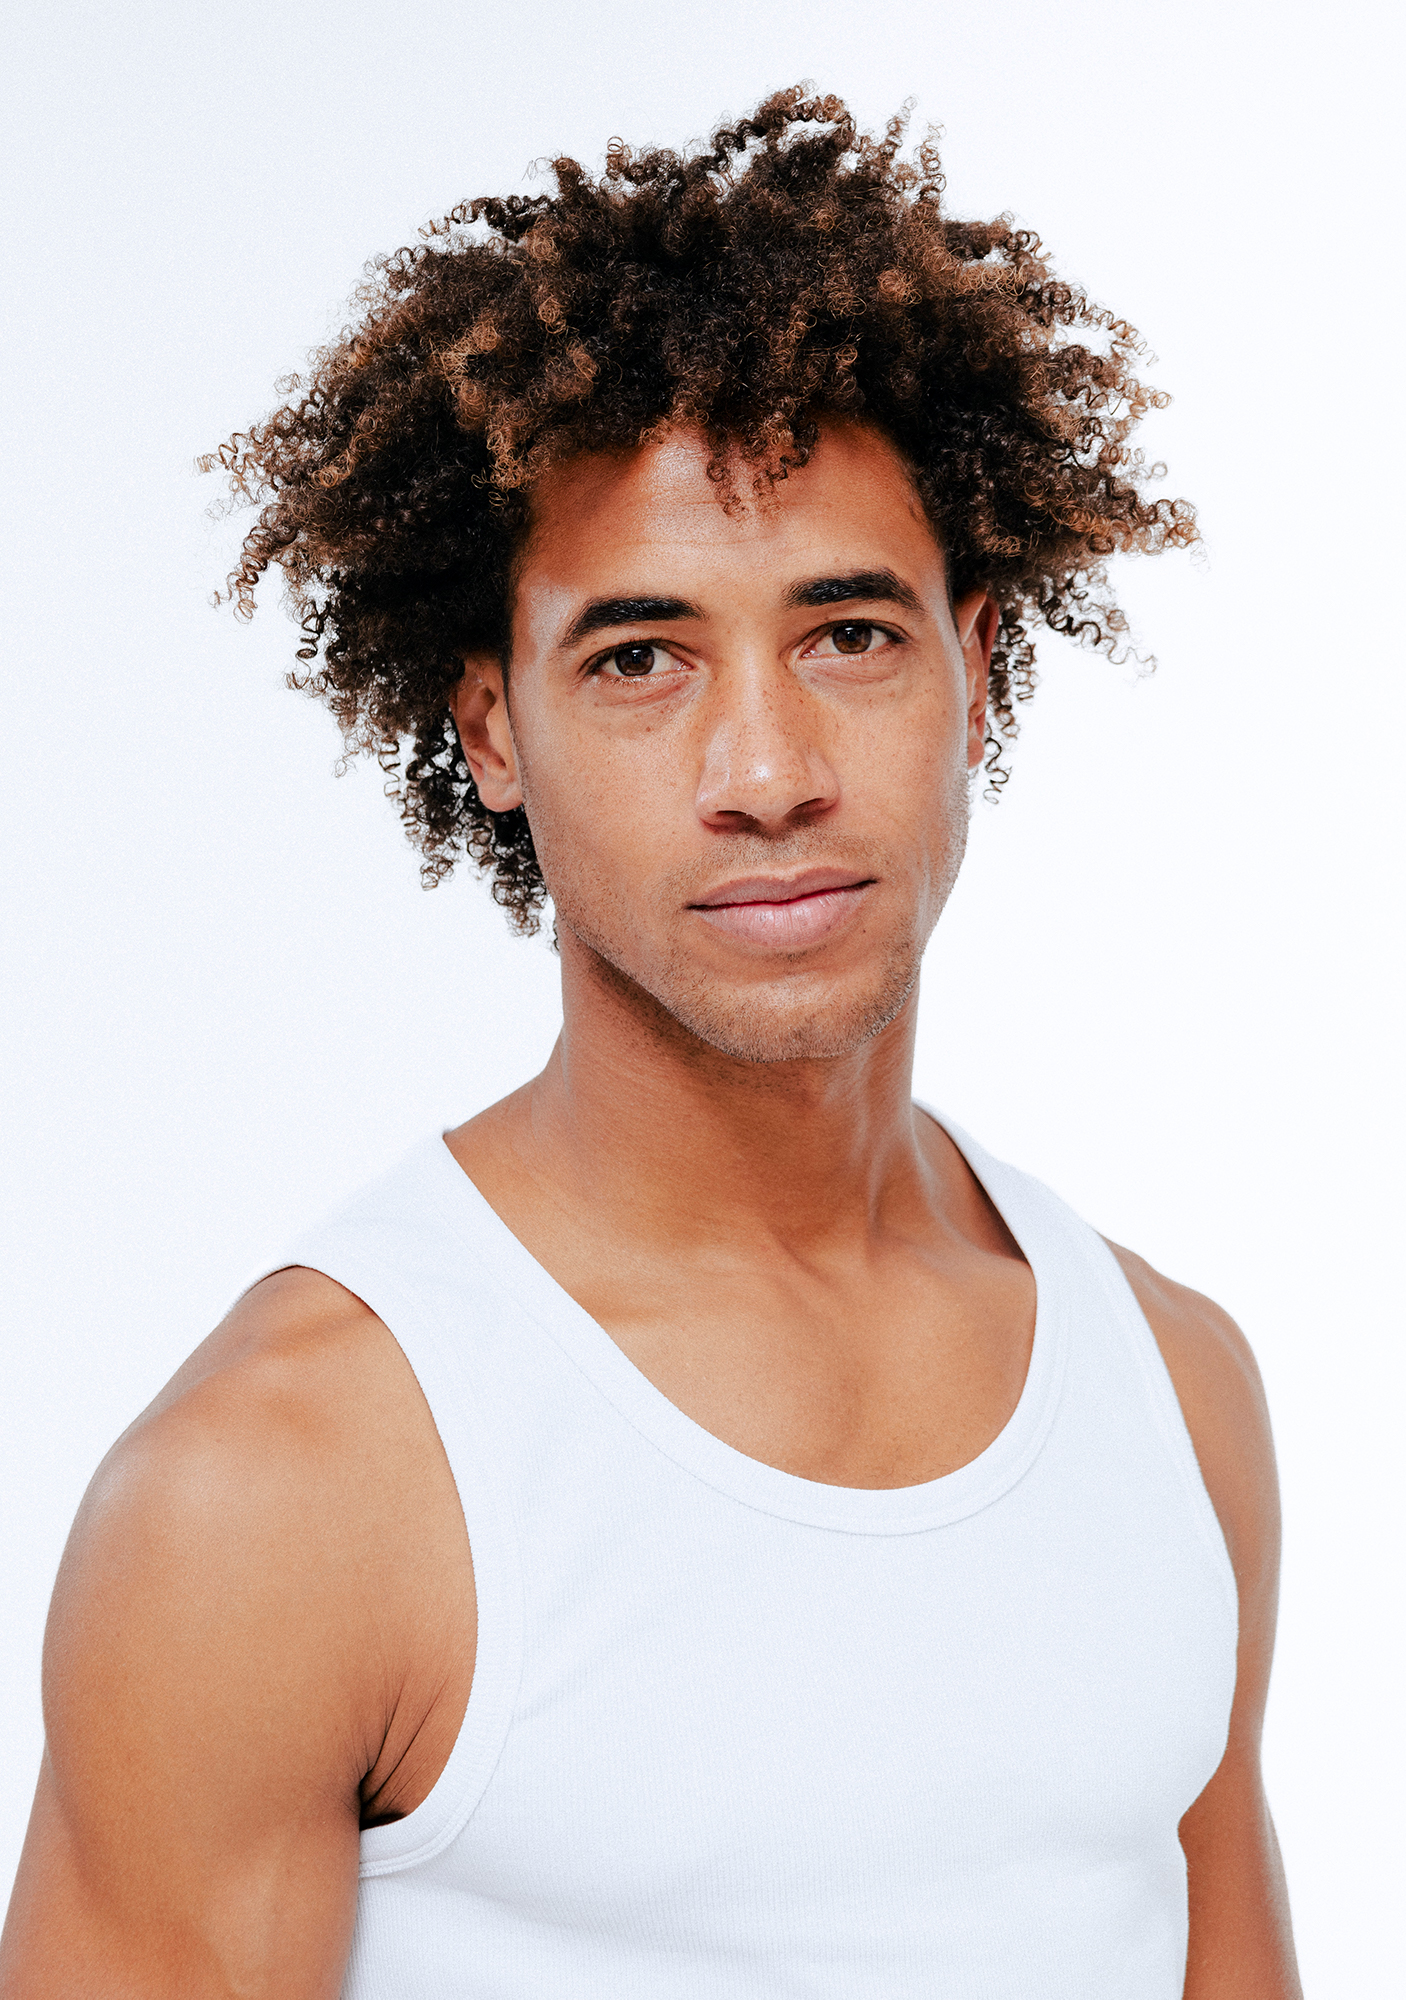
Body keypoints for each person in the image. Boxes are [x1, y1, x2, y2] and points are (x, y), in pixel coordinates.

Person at [0, 88, 1301, 2000]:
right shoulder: (287, 1483)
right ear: (492, 732)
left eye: (848, 634)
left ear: (976, 667)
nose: (764, 774)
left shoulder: (1174, 1396)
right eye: (637, 660)